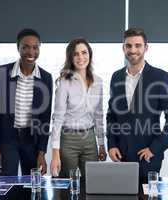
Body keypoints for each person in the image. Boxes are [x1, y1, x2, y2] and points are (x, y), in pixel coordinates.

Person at [107, 28, 168, 181]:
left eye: (138, 45)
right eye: (128, 46)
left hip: (148, 156)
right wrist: (111, 144)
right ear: (123, 48)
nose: (133, 50)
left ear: (146, 48)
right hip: (121, 155)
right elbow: (112, 115)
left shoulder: (160, 77)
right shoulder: (116, 77)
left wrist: (156, 147)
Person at [0, 28, 53, 176]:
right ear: (18, 48)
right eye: (25, 47)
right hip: (8, 139)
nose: (31, 52)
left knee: (32, 186)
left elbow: (45, 118)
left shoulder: (45, 77)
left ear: (39, 48)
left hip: (32, 140)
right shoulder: (3, 72)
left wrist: (42, 152)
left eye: (35, 47)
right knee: (5, 185)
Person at [50, 38, 106, 178]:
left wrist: (101, 144)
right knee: (68, 183)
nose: (81, 57)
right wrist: (55, 153)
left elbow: (99, 115)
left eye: (84, 52)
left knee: (92, 182)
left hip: (89, 138)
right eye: (76, 54)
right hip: (68, 139)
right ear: (71, 57)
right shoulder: (64, 82)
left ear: (89, 54)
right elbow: (58, 118)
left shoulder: (98, 81)